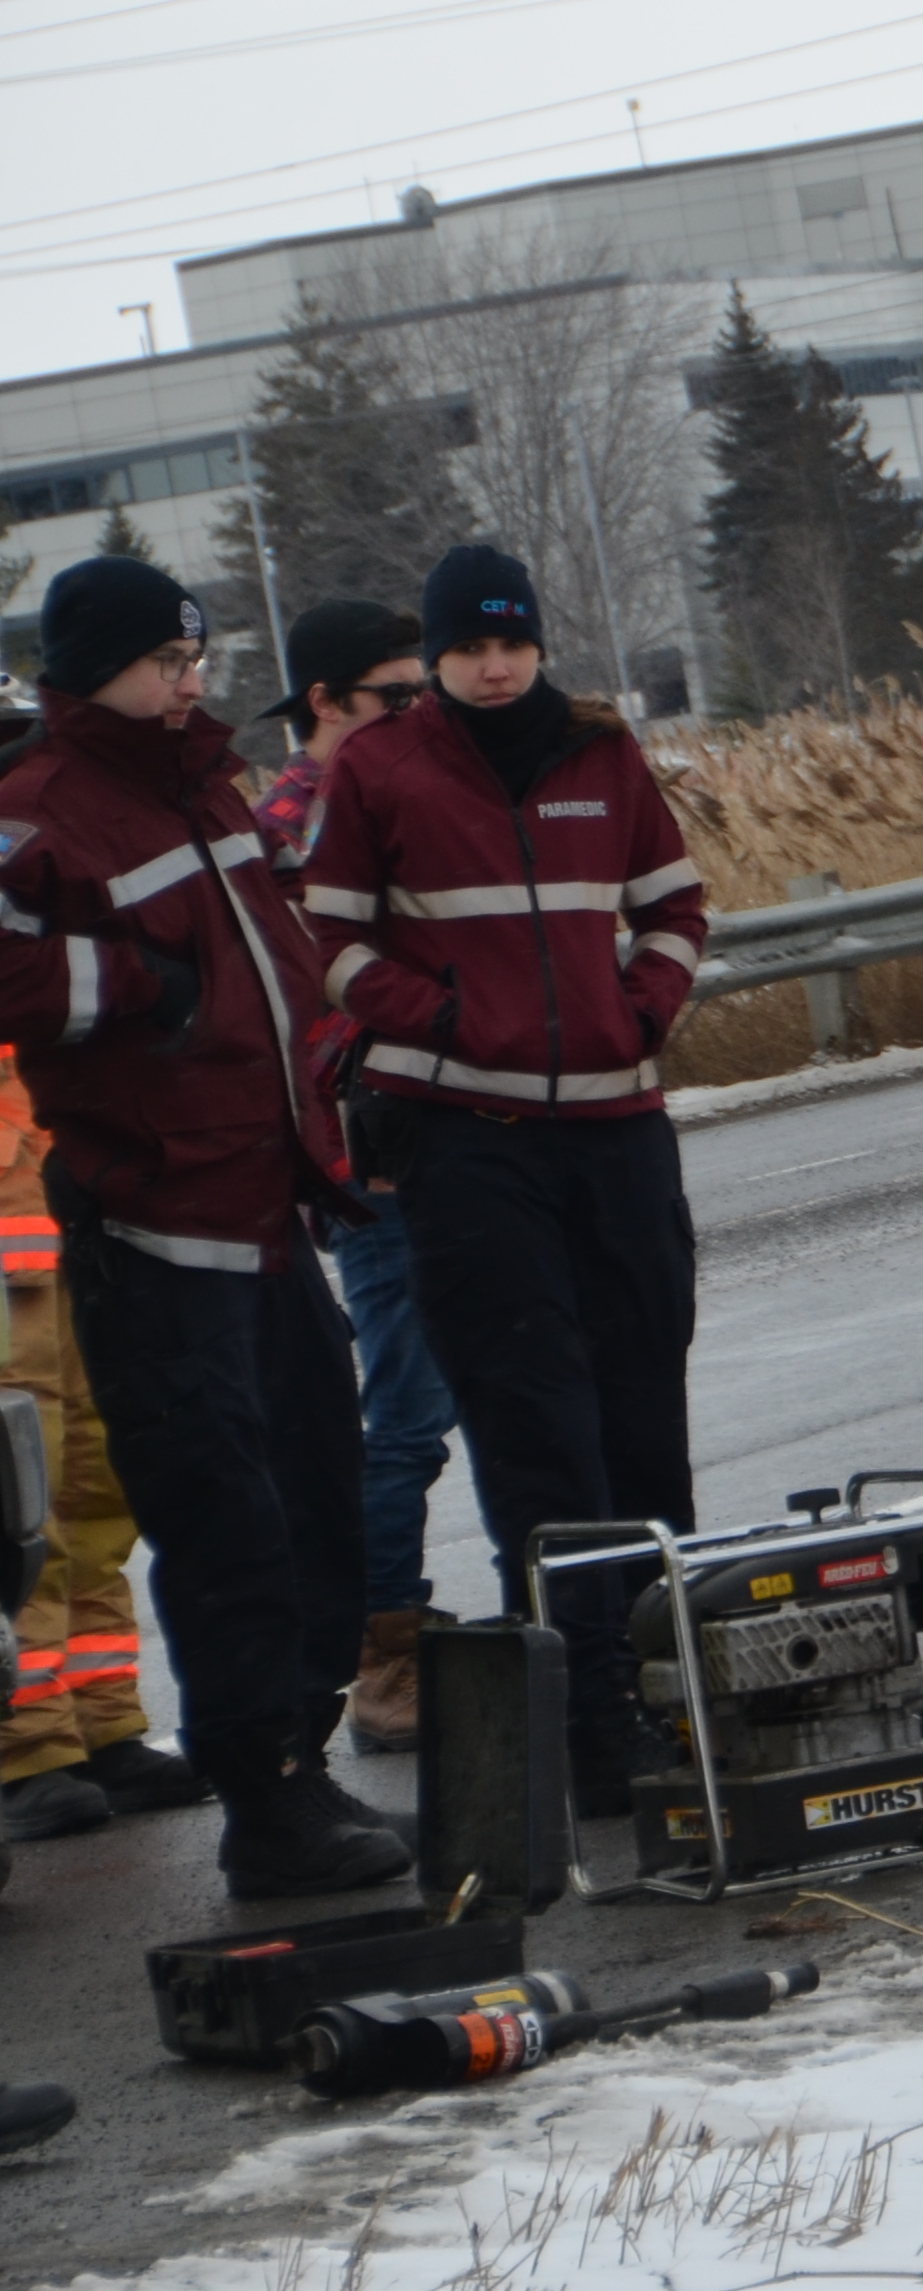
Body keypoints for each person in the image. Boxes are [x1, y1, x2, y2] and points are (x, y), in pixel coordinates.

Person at [0, 555, 393, 1896]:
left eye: (195, 658)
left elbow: (276, 970)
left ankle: (310, 1749)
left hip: (271, 1211)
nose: (190, 681)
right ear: (96, 666)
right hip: (160, 1233)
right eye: (165, 662)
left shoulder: (207, 783)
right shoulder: (42, 809)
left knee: (319, 1497)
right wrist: (141, 989)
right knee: (225, 1523)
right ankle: (266, 1794)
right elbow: (13, 964)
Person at [296, 544, 708, 1811]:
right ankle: (591, 1730)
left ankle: (669, 1691)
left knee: (644, 1419)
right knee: (537, 1438)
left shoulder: (601, 754)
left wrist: (640, 1012)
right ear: (436, 655)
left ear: (537, 642)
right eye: (470, 646)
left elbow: (677, 905)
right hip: (469, 1144)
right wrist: (444, 1018)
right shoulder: (380, 768)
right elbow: (329, 935)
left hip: (620, 1135)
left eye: (512, 642)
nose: (493, 664)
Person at [258, 597, 457, 1753]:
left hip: (452, 1133)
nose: (417, 715)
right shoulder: (289, 829)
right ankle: (382, 1654)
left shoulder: (396, 796)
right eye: (396, 697)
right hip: (375, 1158)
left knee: (492, 1392)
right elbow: (307, 1015)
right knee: (408, 1415)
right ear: (324, 704)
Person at [0, 923, 205, 1843]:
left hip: (73, 1247)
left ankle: (102, 1716)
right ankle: (26, 1746)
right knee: (13, 1513)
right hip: (14, 1280)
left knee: (94, 1490)